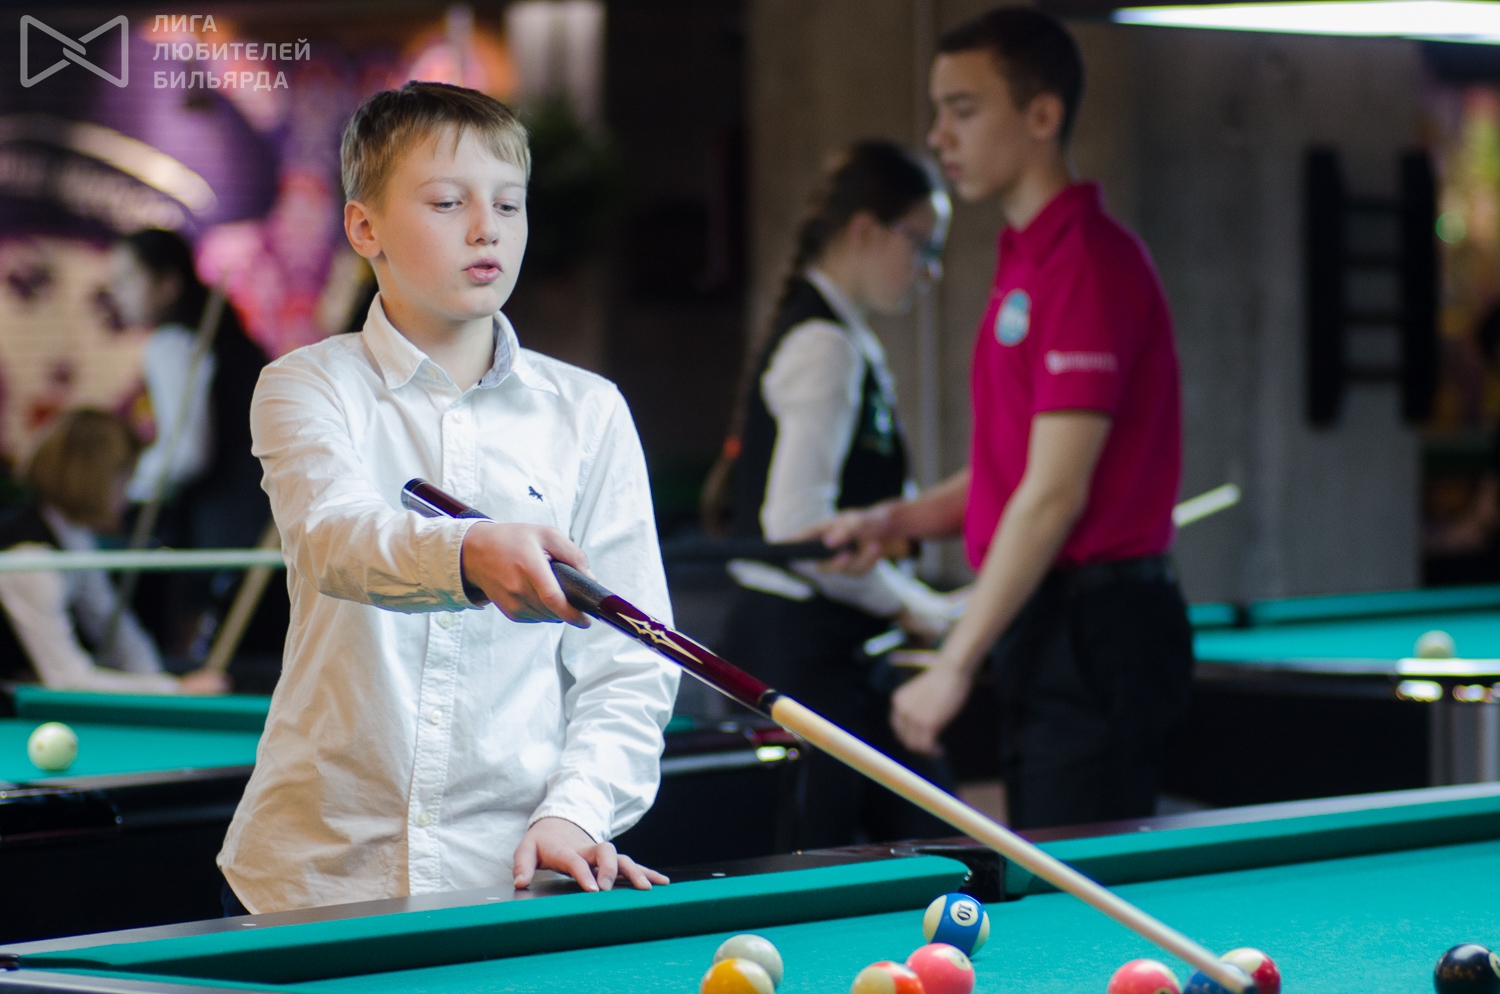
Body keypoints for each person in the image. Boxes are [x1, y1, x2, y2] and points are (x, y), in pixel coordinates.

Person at [217, 82, 678, 915]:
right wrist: (468, 555)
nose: (486, 228)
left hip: (511, 875)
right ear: (365, 228)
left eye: (508, 203)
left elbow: (631, 660)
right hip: (313, 875)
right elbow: (335, 538)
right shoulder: (305, 385)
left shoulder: (590, 411)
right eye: (447, 202)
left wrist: (577, 810)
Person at [814, 8, 1192, 831]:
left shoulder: (1087, 263)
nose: (938, 135)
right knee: (1046, 860)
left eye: (963, 109)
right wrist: (896, 521)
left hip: (1098, 627)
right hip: (1051, 618)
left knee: (1073, 879)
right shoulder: (1026, 258)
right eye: (937, 110)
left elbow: (1052, 495)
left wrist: (954, 663)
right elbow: (1015, 471)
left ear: (1042, 115)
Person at [711, 142, 959, 848]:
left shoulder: (841, 337)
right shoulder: (825, 345)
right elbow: (800, 531)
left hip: (826, 650)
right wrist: (917, 606)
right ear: (865, 231)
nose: (932, 269)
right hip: (796, 654)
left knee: (943, 836)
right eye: (923, 245)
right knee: (824, 863)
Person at [0, 410, 226, 694]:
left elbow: (110, 621)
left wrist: (157, 682)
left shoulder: (72, 535)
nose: (127, 497)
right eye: (124, 480)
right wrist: (174, 689)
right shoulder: (29, 558)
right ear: (93, 479)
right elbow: (67, 681)